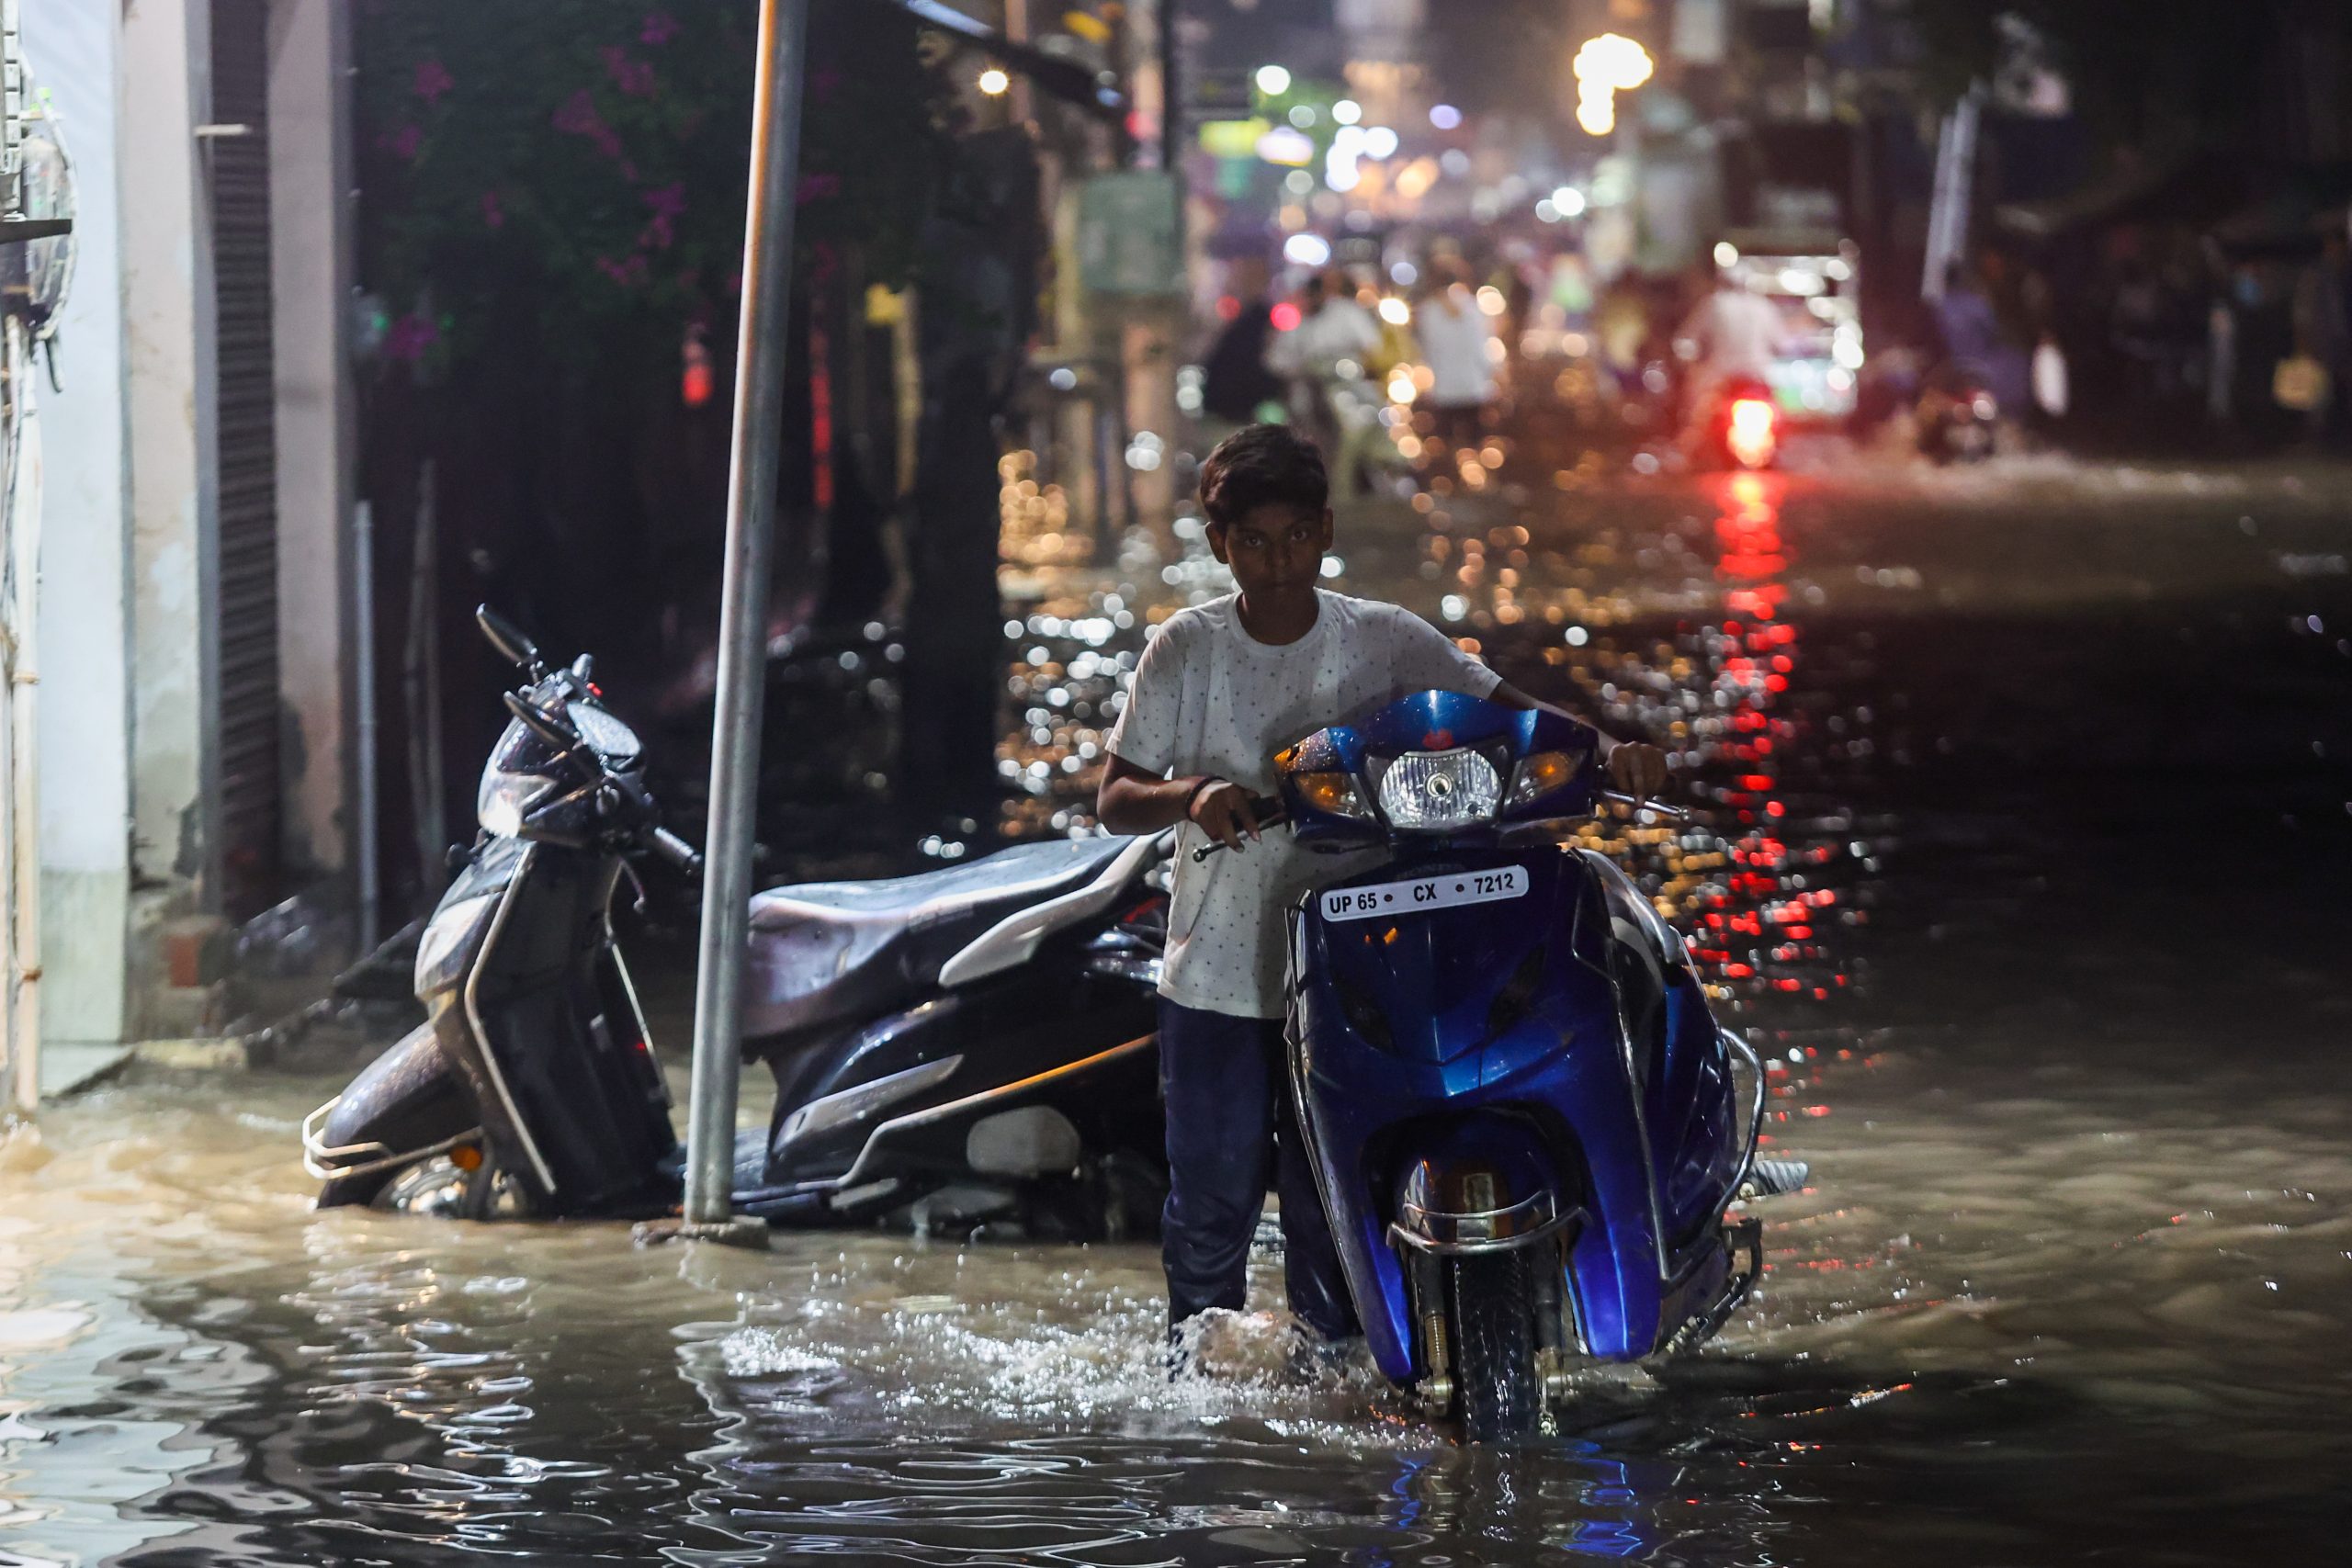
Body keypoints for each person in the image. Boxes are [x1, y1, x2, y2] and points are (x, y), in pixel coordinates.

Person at [1094, 423, 1669, 1371]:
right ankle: (1190, 1395)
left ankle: (1344, 1381)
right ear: (1218, 546)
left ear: (1324, 531)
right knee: (1211, 1204)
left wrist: (1609, 753)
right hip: (1220, 978)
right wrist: (1191, 797)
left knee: (1337, 1193)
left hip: (1358, 973)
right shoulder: (1183, 651)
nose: (1277, 562)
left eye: (1294, 538)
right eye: (1252, 542)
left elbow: (1509, 715)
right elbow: (1115, 796)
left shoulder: (1385, 639)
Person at [1414, 257, 1498, 454]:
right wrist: (1490, 375)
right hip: (1473, 386)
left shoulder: (1428, 311)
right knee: (1475, 446)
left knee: (1446, 446)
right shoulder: (1473, 308)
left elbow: (1426, 351)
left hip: (1444, 388)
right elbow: (1482, 348)